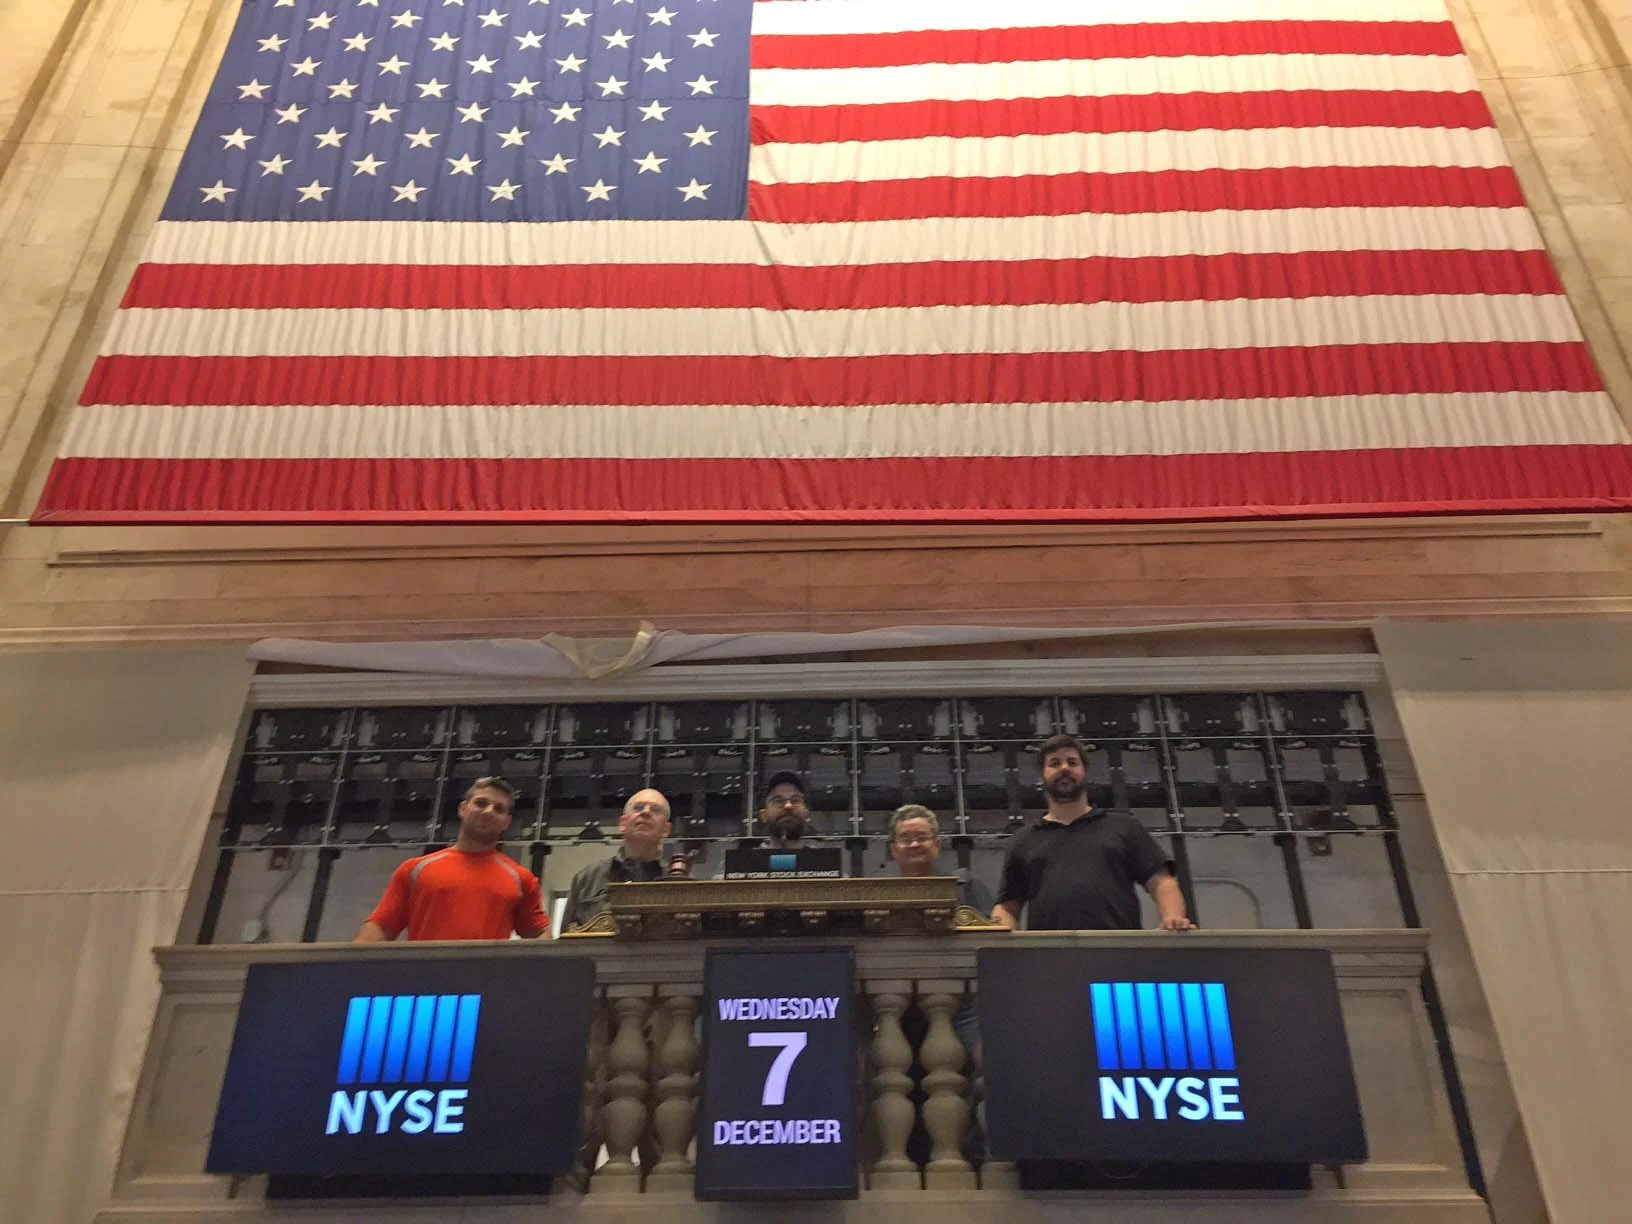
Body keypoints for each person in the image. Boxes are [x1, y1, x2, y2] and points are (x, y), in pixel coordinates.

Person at [995, 734, 1194, 932]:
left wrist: (1173, 918)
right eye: (1054, 763)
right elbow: (1007, 907)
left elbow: (1162, 883)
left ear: (1084, 772)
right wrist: (999, 939)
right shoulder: (1023, 840)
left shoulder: (1125, 827)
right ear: (1042, 776)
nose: (1064, 768)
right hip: (1049, 957)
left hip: (1121, 954)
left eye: (1072, 762)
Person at [355, 776, 547, 942]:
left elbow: (540, 935)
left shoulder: (521, 879)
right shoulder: (415, 870)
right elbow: (381, 928)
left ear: (506, 822)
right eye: (481, 803)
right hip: (424, 982)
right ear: (463, 809)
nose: (489, 811)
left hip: (486, 982)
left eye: (499, 809)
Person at [562, 788, 673, 931]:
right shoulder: (587, 878)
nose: (646, 812)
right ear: (622, 824)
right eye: (638, 808)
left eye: (656, 810)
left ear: (666, 830)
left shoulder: (678, 883)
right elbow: (565, 940)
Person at [888, 803, 995, 916]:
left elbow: (994, 930)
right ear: (893, 849)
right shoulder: (880, 893)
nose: (914, 844)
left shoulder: (966, 887)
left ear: (937, 845)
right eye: (906, 839)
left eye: (922, 838)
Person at [758, 770, 812, 847]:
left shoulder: (827, 858)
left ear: (807, 814)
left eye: (795, 800)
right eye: (778, 801)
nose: (788, 806)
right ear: (763, 815)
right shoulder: (746, 859)